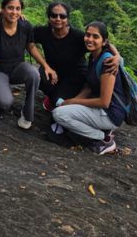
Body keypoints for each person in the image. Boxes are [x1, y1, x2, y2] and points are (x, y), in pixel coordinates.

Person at [0, 0, 51, 130]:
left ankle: (27, 114)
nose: (14, 12)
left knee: (34, 74)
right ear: (2, 9)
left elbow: (31, 47)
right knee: (4, 103)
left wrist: (46, 66)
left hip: (17, 69)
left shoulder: (25, 26)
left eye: (18, 9)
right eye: (10, 8)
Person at [52, 21, 126, 155]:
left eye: (95, 36)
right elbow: (89, 88)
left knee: (59, 114)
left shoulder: (107, 63)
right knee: (63, 105)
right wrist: (70, 103)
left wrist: (73, 102)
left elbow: (104, 102)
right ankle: (102, 129)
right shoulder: (94, 57)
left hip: (110, 114)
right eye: (87, 35)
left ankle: (103, 138)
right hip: (103, 111)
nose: (90, 39)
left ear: (104, 41)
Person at [33, 2, 120, 111]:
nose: (58, 19)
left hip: (75, 76)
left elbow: (104, 43)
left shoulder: (78, 36)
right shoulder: (43, 32)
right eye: (54, 15)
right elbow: (26, 37)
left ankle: (57, 97)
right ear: (49, 17)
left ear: (67, 18)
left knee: (59, 102)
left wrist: (117, 56)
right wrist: (45, 66)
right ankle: (52, 96)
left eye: (62, 16)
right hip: (53, 71)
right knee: (40, 78)